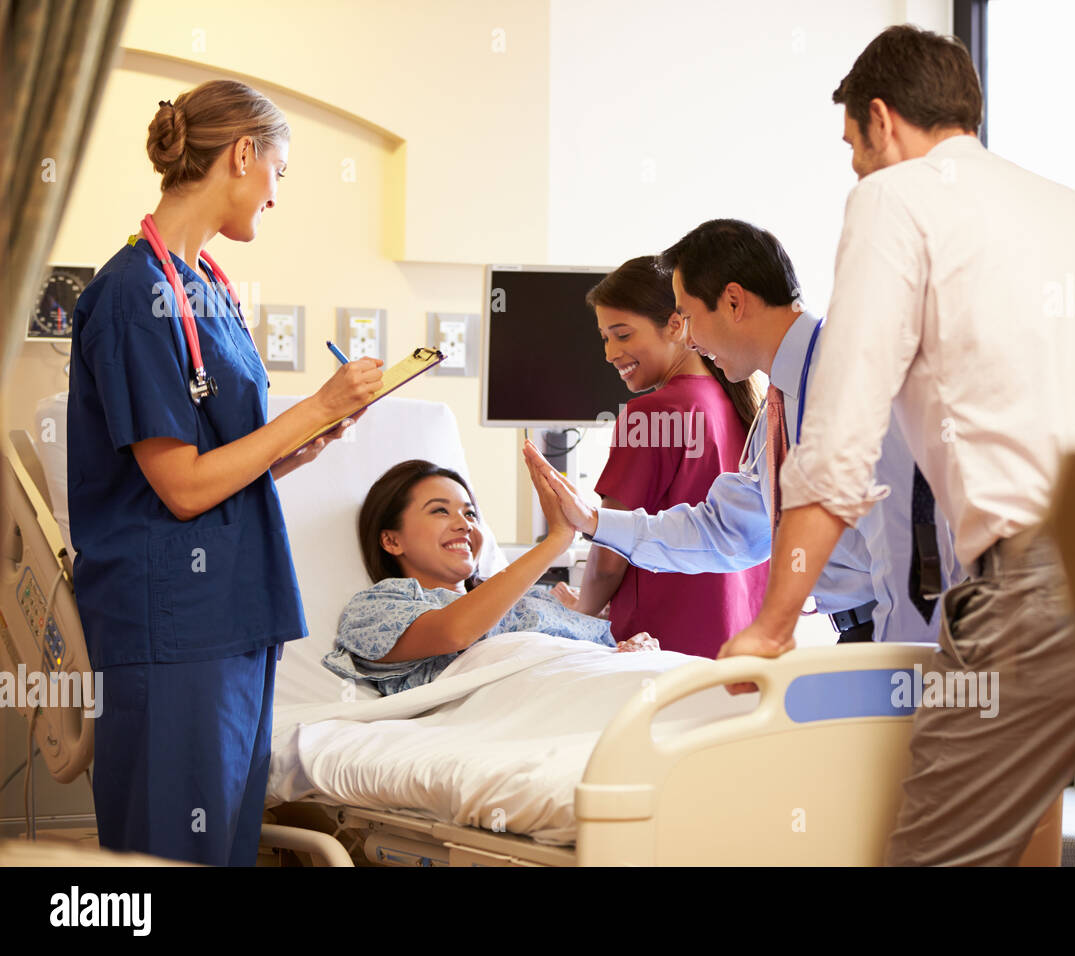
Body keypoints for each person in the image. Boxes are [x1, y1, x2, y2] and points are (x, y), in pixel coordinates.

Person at [721, 25, 1075, 864]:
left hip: (1041, 586)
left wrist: (773, 624)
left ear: (882, 122)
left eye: (853, 149)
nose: (855, 169)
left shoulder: (895, 199)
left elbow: (840, 439)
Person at [67, 80, 384, 866]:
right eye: (280, 170)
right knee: (173, 854)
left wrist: (299, 445)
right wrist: (309, 412)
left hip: (237, 612)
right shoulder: (131, 297)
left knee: (225, 850)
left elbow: (223, 463)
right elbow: (181, 487)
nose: (276, 196)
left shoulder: (206, 288)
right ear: (242, 155)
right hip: (173, 622)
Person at [526, 219, 958, 646]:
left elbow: (913, 559)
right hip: (867, 633)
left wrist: (904, 688)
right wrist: (594, 521)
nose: (688, 340)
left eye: (689, 318)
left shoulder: (851, 379)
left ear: (733, 302)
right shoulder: (781, 401)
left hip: (908, 641)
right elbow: (728, 530)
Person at [551, 255, 766, 658]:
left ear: (675, 324)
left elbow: (610, 556)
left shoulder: (650, 414)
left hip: (664, 646)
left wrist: (581, 609)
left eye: (623, 335)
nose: (610, 352)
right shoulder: (738, 405)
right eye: (604, 338)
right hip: (738, 643)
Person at [325, 457, 659, 696]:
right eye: (440, 510)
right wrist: (557, 540)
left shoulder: (533, 601)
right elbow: (457, 632)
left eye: (469, 512)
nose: (464, 524)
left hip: (608, 687)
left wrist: (629, 649)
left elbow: (594, 649)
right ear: (391, 540)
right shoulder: (375, 607)